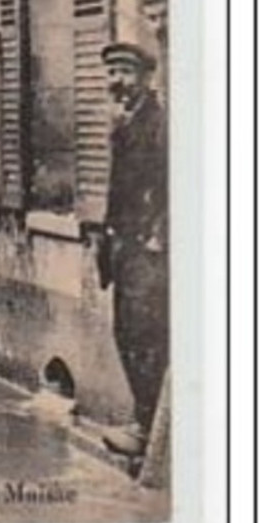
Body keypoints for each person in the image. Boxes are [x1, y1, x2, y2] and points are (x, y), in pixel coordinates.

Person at [97, 40, 169, 460]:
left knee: (143, 333)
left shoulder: (156, 123)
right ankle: (144, 423)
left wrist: (156, 234)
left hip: (147, 247)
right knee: (126, 330)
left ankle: (147, 428)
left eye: (125, 73)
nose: (116, 82)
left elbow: (166, 184)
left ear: (146, 77)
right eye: (111, 74)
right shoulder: (125, 123)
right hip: (124, 245)